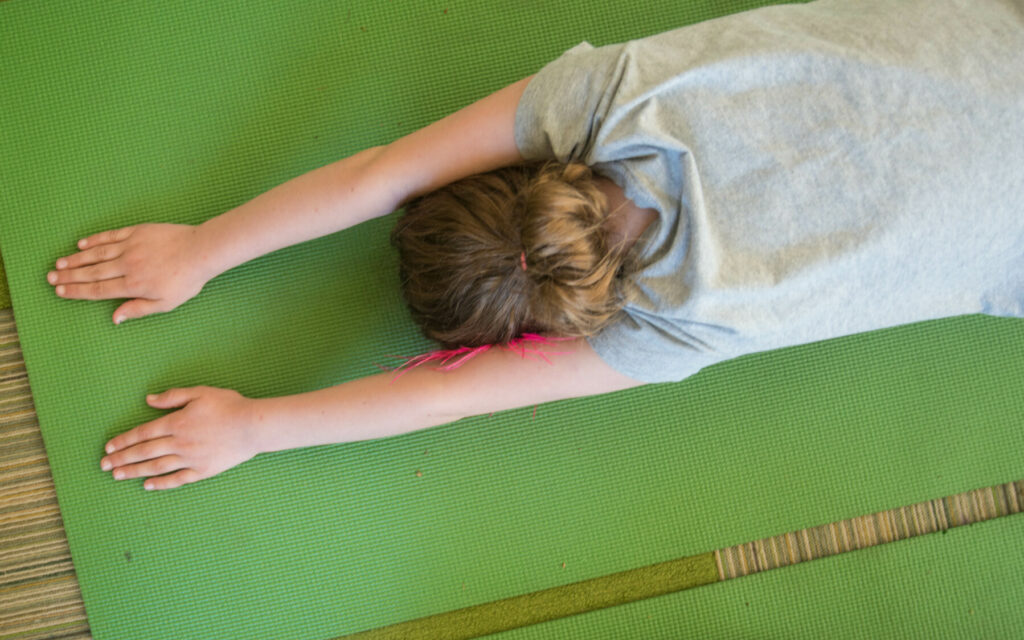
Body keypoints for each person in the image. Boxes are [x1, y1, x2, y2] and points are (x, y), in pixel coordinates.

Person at [47, 0, 1023, 491]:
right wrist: (203, 248)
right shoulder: (614, 103)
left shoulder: (683, 319)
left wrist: (256, 425)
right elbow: (383, 173)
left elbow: (440, 394)